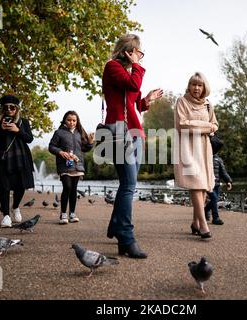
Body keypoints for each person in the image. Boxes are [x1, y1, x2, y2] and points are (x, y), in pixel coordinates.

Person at [103, 34, 163, 259]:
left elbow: (135, 102)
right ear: (129, 51)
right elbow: (132, 84)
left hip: (135, 132)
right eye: (139, 52)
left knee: (128, 184)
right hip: (119, 132)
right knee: (129, 185)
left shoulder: (127, 72)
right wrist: (137, 66)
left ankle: (116, 228)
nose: (140, 56)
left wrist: (147, 99)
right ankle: (126, 238)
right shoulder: (112, 67)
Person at [174, 72, 218, 239]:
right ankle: (204, 225)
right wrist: (207, 127)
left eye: (199, 85)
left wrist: (207, 126)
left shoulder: (208, 105)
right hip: (188, 148)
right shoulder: (181, 101)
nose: (196, 88)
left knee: (204, 185)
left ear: (204, 87)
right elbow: (183, 125)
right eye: (193, 84)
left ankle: (195, 222)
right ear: (189, 86)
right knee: (196, 184)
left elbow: (215, 124)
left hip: (205, 148)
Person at [0, 94, 35, 228]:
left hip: (20, 157)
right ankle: (6, 216)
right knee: (3, 187)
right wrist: (1, 129)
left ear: (17, 109)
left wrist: (17, 130)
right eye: (6, 107)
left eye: (12, 107)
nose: (9, 110)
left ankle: (15, 207)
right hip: (1, 157)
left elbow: (29, 139)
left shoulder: (23, 122)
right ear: (2, 108)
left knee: (21, 186)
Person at [49, 111, 94, 224]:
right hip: (64, 165)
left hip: (77, 165)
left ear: (77, 121)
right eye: (69, 120)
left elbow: (85, 149)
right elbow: (51, 146)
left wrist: (90, 142)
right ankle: (63, 214)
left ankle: (72, 213)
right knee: (67, 187)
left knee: (73, 189)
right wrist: (60, 152)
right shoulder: (59, 133)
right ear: (65, 120)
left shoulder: (80, 133)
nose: (72, 122)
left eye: (74, 120)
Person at [204, 136, 233, 225]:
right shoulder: (204, 158)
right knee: (214, 198)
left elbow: (223, 172)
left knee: (215, 200)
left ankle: (205, 210)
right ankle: (215, 218)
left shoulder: (218, 160)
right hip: (207, 183)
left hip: (216, 184)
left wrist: (228, 181)